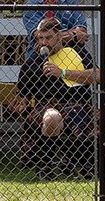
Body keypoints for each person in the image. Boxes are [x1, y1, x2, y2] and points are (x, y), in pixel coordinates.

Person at [8, 17, 96, 180]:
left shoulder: (78, 52)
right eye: (41, 38)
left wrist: (62, 73)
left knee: (82, 117)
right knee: (53, 118)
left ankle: (83, 165)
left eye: (48, 38)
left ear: (60, 36)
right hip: (46, 106)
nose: (44, 42)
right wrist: (18, 106)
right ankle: (45, 167)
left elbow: (97, 76)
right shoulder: (32, 63)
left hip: (79, 104)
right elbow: (23, 98)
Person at [22, 0, 88, 60]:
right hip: (40, 55)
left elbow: (82, 30)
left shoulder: (71, 1)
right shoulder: (30, 6)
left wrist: (49, 38)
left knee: (93, 69)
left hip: (69, 53)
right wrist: (73, 35)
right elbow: (39, 36)